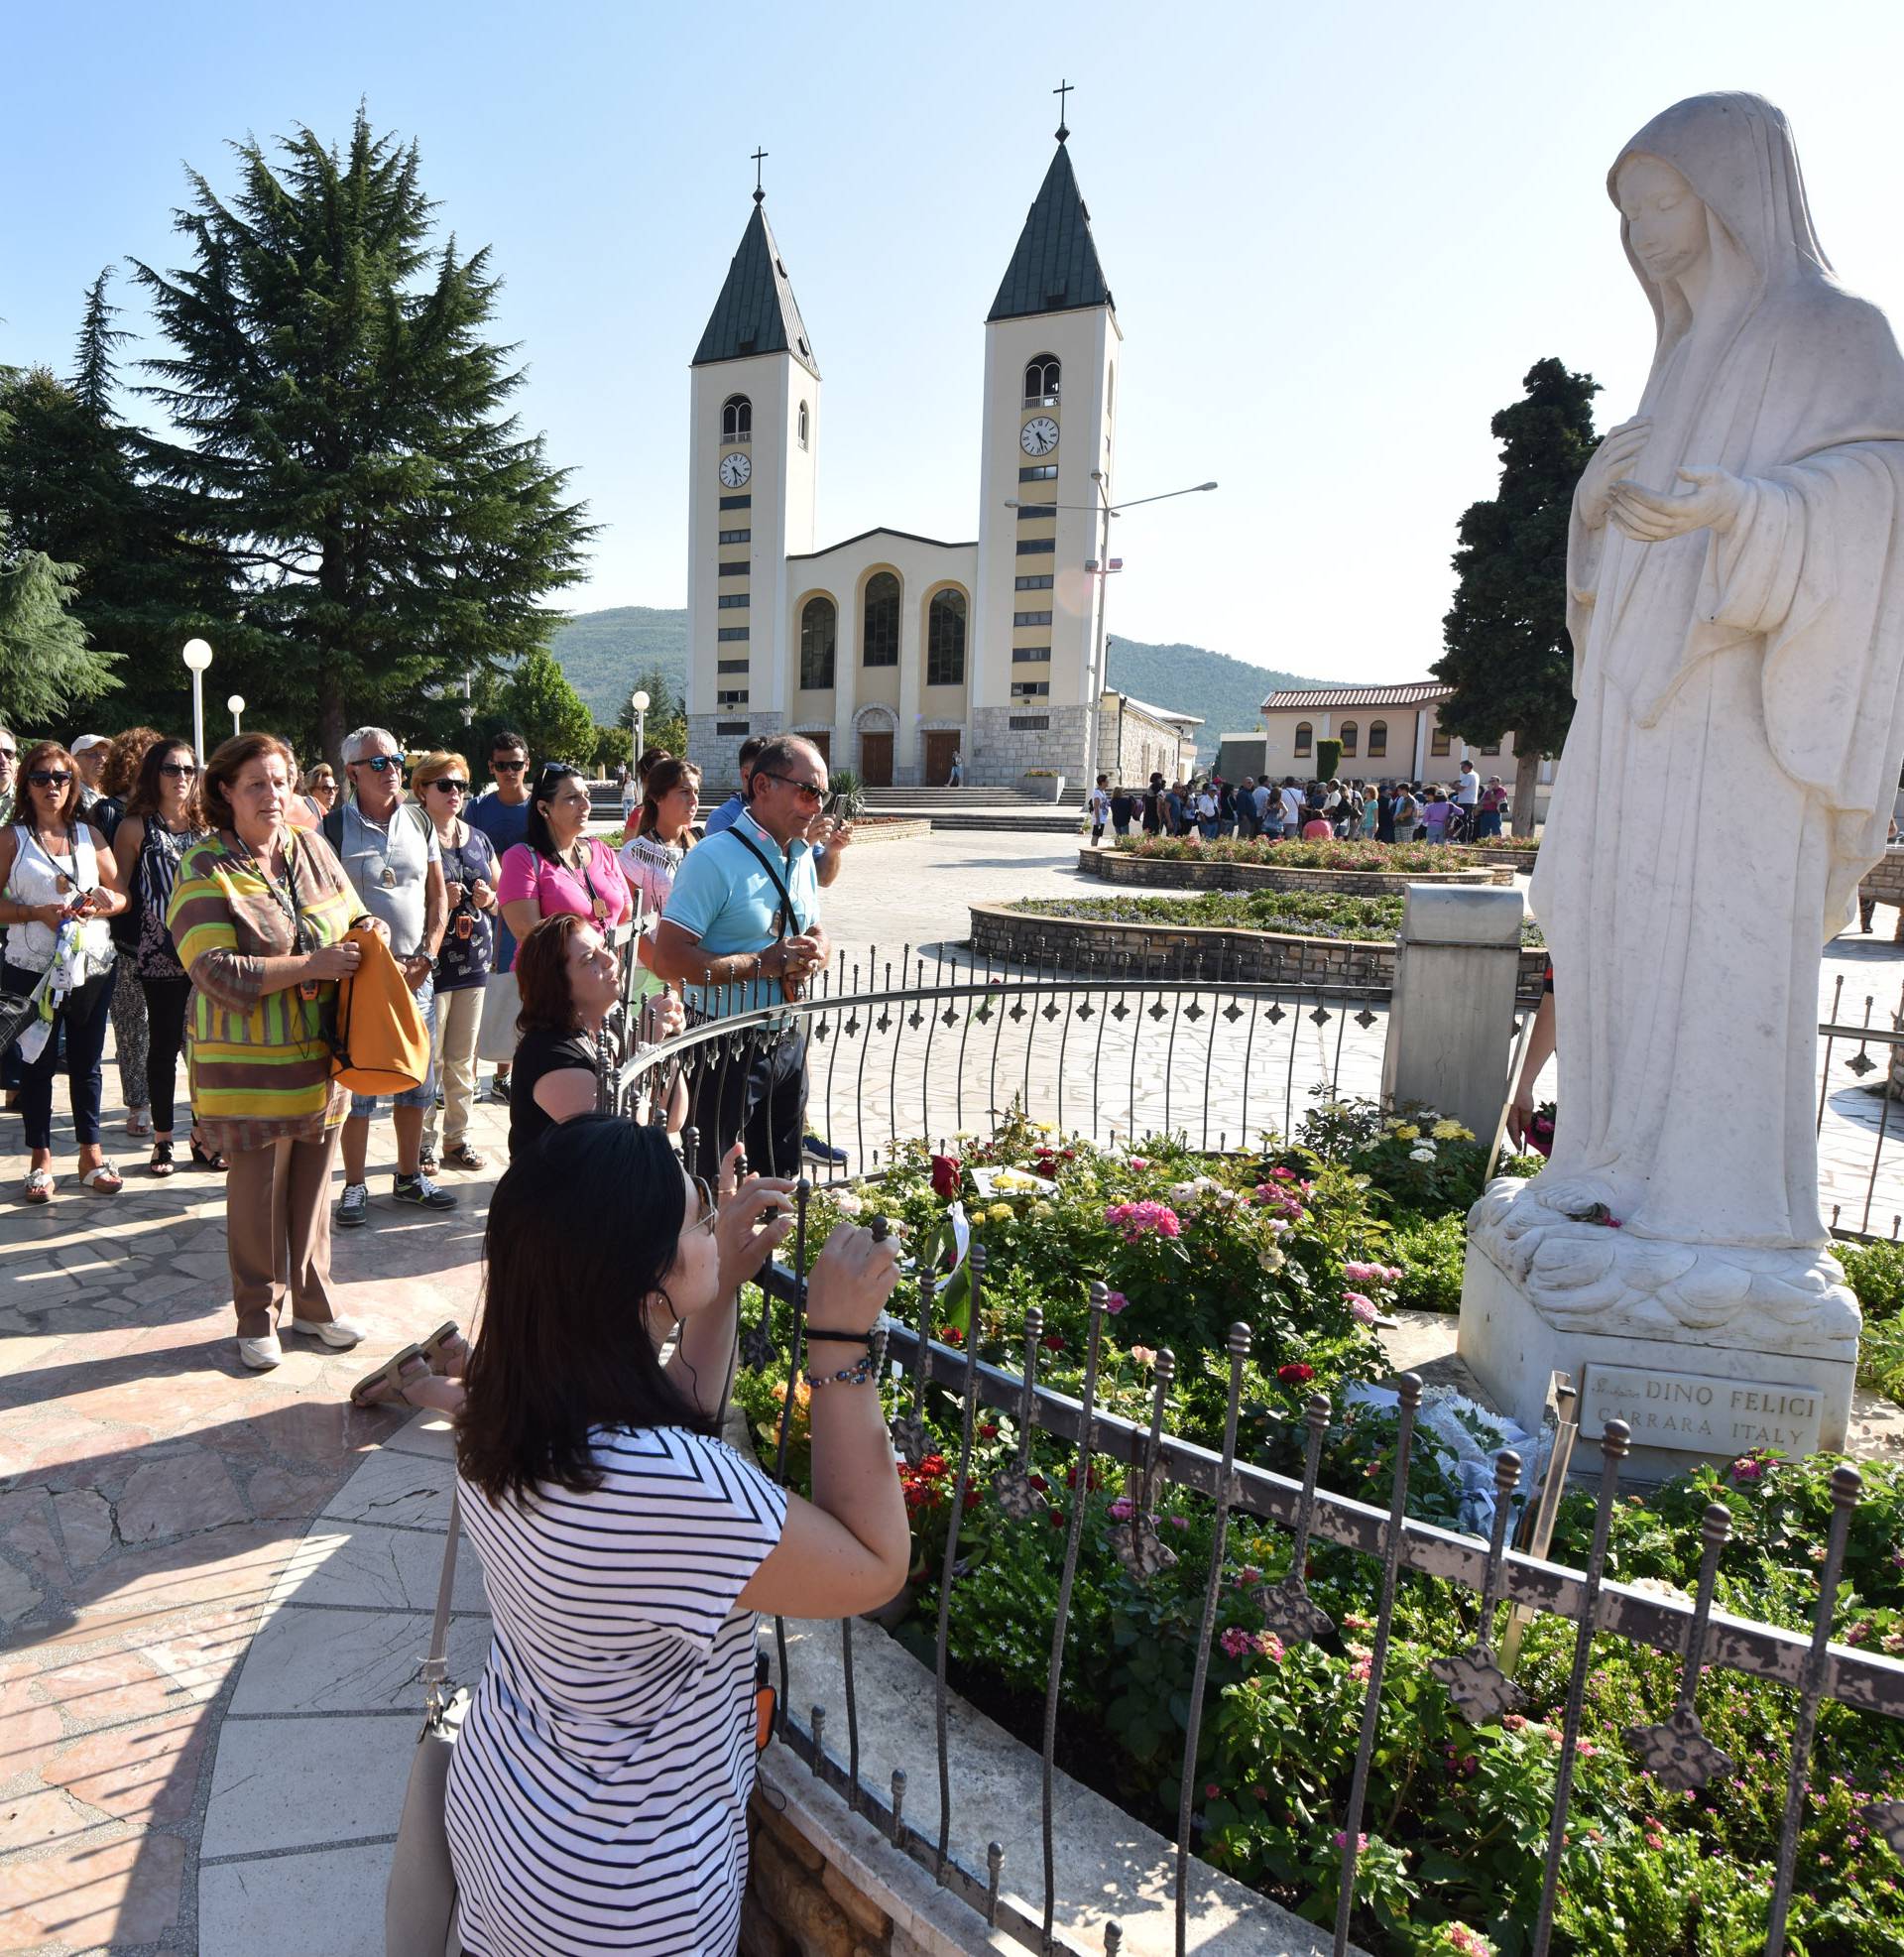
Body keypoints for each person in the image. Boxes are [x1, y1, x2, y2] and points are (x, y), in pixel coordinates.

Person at [444, 1114, 907, 1957]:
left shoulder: (507, 1404)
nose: (712, 1226)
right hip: (627, 1892)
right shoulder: (670, 1487)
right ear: (642, 1282)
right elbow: (873, 1564)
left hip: (510, 1818)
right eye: (695, 1221)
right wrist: (840, 1343)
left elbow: (672, 1431)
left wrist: (716, 1280)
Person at [167, 734, 367, 1369]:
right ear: (224, 792)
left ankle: (313, 1305)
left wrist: (372, 933)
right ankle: (257, 1314)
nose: (273, 795)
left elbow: (352, 917)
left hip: (324, 1055)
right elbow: (214, 970)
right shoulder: (204, 866)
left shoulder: (311, 847)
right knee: (256, 1192)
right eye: (257, 783)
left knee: (313, 1186)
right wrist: (312, 963)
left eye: (280, 781)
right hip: (248, 1067)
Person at [650, 733, 830, 1177]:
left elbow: (813, 930)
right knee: (715, 1177)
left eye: (824, 795)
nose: (817, 806)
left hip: (786, 1036)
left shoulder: (801, 855)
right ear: (763, 786)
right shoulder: (713, 858)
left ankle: (767, 1247)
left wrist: (817, 951)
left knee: (779, 1177)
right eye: (808, 792)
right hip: (722, 1044)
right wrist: (765, 963)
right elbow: (669, 959)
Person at [325, 726, 458, 1223]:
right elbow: (324, 902)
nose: (392, 770)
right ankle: (354, 1185)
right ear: (352, 772)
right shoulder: (333, 829)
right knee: (358, 1085)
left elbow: (437, 895)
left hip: (416, 974)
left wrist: (429, 952)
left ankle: (408, 1176)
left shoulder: (420, 822)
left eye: (397, 760)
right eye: (378, 763)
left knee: (416, 1080)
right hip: (361, 979)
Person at [0, 743, 130, 1199]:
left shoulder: (89, 836)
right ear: (27, 785)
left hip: (89, 966)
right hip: (30, 970)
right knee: (35, 1064)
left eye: (61, 778)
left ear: (73, 785)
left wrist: (103, 904)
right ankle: (40, 1159)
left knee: (87, 1064)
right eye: (41, 778)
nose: (51, 786)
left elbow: (120, 895)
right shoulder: (11, 838)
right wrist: (34, 912)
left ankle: (90, 1155)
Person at [111, 738, 212, 1176]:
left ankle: (204, 1135)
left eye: (190, 770)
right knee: (165, 1044)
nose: (182, 778)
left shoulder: (208, 824)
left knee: (204, 1047)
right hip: (161, 951)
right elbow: (120, 890)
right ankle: (163, 1140)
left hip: (208, 948)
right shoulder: (136, 826)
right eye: (172, 769)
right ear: (154, 773)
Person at [414, 751, 500, 1174]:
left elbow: (502, 899)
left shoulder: (478, 838)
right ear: (422, 790)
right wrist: (436, 902)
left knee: (464, 1059)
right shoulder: (413, 838)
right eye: (444, 785)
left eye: (461, 786)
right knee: (429, 1060)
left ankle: (457, 1138)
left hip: (474, 960)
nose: (454, 794)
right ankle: (422, 1142)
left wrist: (489, 900)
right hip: (430, 965)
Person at [95, 727, 165, 1140]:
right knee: (130, 1025)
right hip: (125, 936)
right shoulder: (107, 813)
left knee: (175, 1029)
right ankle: (138, 1104)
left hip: (171, 938)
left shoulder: (173, 813)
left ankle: (187, 1103)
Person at [506, 913, 618, 1157]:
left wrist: (667, 1039)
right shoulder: (549, 1052)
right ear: (558, 985)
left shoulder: (610, 1027)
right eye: (589, 959)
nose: (610, 959)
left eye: (603, 947)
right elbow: (616, 1142)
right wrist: (649, 1048)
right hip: (555, 1193)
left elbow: (672, 1119)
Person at [469, 729, 534, 1102]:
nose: (510, 772)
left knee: (517, 990)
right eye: (502, 765)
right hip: (486, 911)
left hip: (522, 913)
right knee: (482, 990)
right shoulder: (479, 808)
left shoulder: (538, 807)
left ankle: (503, 1075)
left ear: (527, 765)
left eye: (516, 764)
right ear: (492, 768)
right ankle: (468, 1076)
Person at [68, 734, 111, 815]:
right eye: (93, 754)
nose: (102, 760)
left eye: (105, 754)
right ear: (74, 760)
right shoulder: (70, 794)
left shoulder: (112, 791)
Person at [1476, 775, 1509, 839]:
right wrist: (1490, 800)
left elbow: (1494, 800)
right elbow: (1482, 802)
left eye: (1493, 781)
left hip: (1495, 813)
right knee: (1484, 832)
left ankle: (1497, 845)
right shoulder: (1487, 791)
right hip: (1485, 813)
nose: (1491, 782)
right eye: (1490, 781)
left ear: (1498, 782)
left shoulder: (1501, 790)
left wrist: (1491, 792)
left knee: (1496, 831)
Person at [1088, 773, 1111, 847]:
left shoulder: (1103, 792)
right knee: (1095, 835)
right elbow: (1096, 806)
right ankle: (1092, 849)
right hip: (1098, 818)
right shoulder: (1097, 793)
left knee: (1098, 835)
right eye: (1107, 781)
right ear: (1102, 782)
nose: (1108, 782)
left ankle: (1094, 848)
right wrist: (1097, 819)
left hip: (1102, 818)